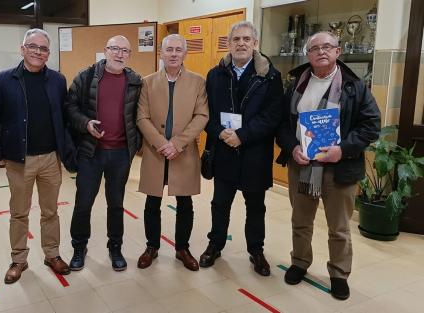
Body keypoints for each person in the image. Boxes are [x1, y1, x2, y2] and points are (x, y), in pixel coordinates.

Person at [276, 31, 381, 300]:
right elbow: (282, 125)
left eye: (327, 47)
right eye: (315, 48)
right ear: (308, 55)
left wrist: (342, 150)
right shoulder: (297, 83)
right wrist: (292, 147)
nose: (321, 51)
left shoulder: (353, 86)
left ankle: (338, 273)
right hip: (302, 165)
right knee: (300, 221)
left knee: (339, 227)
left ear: (338, 51)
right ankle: (299, 262)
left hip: (339, 168)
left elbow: (371, 126)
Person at [0, 28, 70, 284]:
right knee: (19, 212)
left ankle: (52, 254)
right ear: (22, 49)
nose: (38, 52)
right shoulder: (3, 80)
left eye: (43, 49)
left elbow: (63, 118)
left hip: (50, 159)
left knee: (50, 211)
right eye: (33, 46)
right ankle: (19, 259)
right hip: (19, 159)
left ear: (48, 54)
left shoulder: (57, 80)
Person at [199, 21, 283, 277]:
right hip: (223, 150)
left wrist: (242, 136)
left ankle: (256, 250)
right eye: (236, 39)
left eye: (247, 39)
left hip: (254, 154)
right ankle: (215, 244)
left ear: (255, 44)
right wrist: (219, 132)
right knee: (219, 203)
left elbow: (272, 116)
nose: (241, 43)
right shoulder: (215, 75)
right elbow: (206, 113)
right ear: (229, 44)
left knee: (255, 207)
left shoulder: (270, 76)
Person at [64, 35, 142, 272]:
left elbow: (142, 115)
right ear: (105, 51)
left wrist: (137, 144)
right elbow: (69, 107)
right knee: (83, 203)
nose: (119, 54)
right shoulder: (85, 77)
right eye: (115, 49)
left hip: (120, 154)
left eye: (125, 51)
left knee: (116, 203)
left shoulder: (136, 81)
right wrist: (86, 123)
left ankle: (115, 247)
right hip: (91, 153)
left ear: (129, 55)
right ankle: (79, 247)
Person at [136, 34, 208, 271]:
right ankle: (151, 247)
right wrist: (160, 143)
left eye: (179, 50)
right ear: (161, 53)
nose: (174, 54)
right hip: (155, 152)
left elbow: (202, 116)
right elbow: (142, 117)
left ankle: (182, 249)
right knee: (151, 202)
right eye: (169, 50)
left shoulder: (198, 82)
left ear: (185, 53)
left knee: (184, 203)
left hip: (184, 152)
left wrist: (177, 143)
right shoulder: (147, 82)